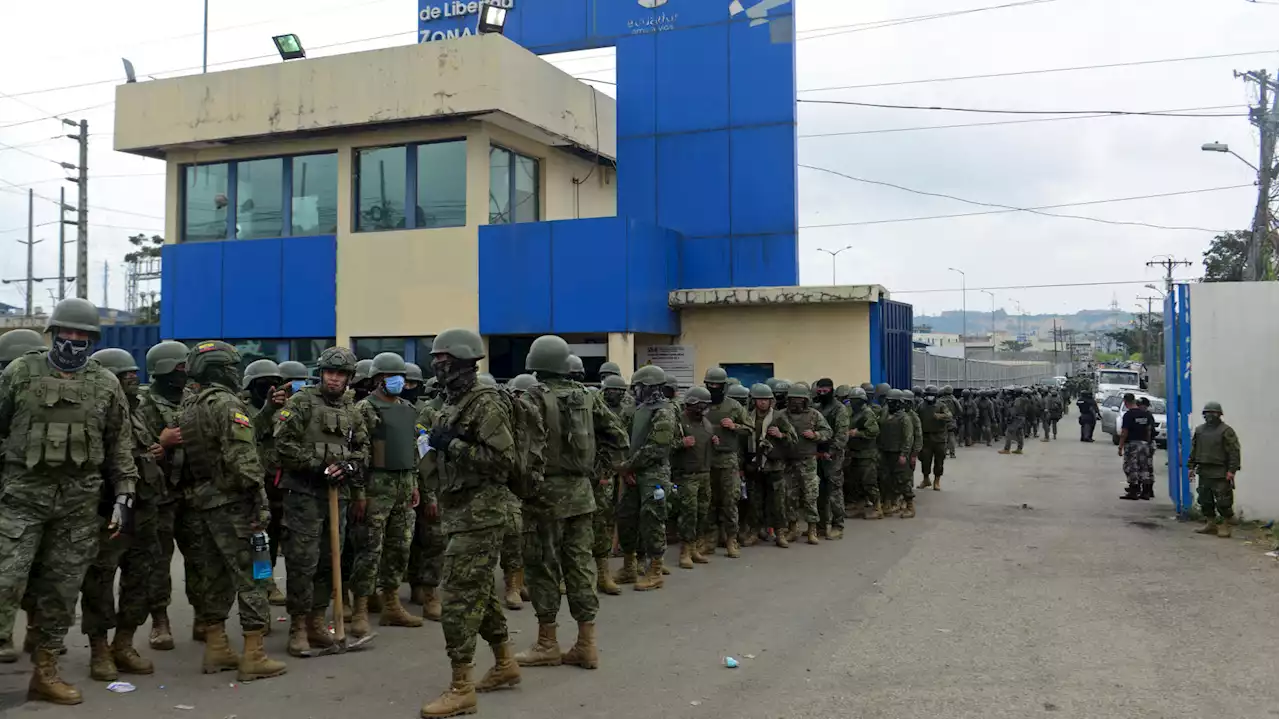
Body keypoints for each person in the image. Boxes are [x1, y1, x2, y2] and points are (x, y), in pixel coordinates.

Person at [0, 298, 140, 704]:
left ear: (93, 340)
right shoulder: (20, 372)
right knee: (6, 581)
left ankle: (45, 672)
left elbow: (120, 446)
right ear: (53, 333)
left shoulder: (105, 383)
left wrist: (124, 495)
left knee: (61, 593)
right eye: (67, 333)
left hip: (78, 505)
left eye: (83, 335)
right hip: (22, 497)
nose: (74, 341)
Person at [418, 329, 521, 717]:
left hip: (481, 513)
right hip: (459, 509)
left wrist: (452, 445)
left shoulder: (485, 403)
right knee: (480, 592)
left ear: (463, 362)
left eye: (444, 361)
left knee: (459, 598)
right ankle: (505, 663)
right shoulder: (453, 402)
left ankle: (461, 686)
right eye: (436, 361)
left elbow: (502, 461)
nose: (438, 367)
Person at [179, 341, 287, 682]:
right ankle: (253, 654)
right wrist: (259, 498)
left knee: (214, 577)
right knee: (254, 575)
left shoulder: (192, 406)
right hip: (235, 503)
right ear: (221, 369)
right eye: (231, 366)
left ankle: (216, 647)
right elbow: (243, 458)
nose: (235, 371)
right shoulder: (227, 403)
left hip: (205, 502)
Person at [516, 335, 625, 669]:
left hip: (541, 498)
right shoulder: (588, 397)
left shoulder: (528, 398)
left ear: (535, 365)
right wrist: (595, 472)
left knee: (542, 568)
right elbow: (618, 438)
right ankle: (586, 645)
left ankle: (547, 642)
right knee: (579, 567)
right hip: (582, 496)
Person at [273, 346, 369, 658]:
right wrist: (319, 465)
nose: (334, 378)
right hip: (304, 497)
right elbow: (282, 444)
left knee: (332, 561)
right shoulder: (301, 403)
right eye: (329, 372)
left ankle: (317, 621)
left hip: (336, 498)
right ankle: (298, 627)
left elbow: (363, 450)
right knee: (304, 562)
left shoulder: (353, 412)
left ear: (349, 378)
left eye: (340, 374)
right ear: (321, 373)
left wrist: (349, 467)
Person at [80, 348, 157, 683]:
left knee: (141, 578)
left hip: (142, 507)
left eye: (132, 374)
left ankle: (123, 643)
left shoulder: (139, 411)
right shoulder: (91, 412)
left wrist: (156, 449)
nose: (132, 379)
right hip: (104, 509)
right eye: (124, 375)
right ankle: (99, 649)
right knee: (99, 582)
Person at [351, 352, 424, 636]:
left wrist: (415, 483)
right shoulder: (364, 409)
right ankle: (360, 609)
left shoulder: (408, 408)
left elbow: (413, 448)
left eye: (400, 377)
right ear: (376, 379)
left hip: (404, 485)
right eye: (388, 376)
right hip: (375, 488)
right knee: (369, 549)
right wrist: (359, 492)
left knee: (400, 548)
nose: (396, 381)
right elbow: (357, 455)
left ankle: (392, 603)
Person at [131, 341, 193, 649]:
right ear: (165, 369)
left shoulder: (194, 400)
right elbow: (130, 447)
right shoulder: (143, 405)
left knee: (201, 559)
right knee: (158, 561)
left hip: (194, 493)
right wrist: (161, 442)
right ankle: (160, 620)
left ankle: (208, 620)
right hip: (161, 495)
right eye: (181, 367)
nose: (185, 373)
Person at [0, 328, 47, 664]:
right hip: (16, 492)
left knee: (33, 568)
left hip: (26, 494)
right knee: (14, 570)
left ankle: (32, 629)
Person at [615, 365, 677, 590]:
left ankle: (655, 569)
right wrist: (626, 468)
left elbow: (656, 448)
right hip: (634, 471)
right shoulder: (637, 409)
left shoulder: (665, 411)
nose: (635, 391)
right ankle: (630, 566)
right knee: (626, 516)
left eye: (639, 387)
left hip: (654, 473)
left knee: (652, 519)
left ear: (650, 388)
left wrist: (628, 466)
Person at [242, 358, 288, 606]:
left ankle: (267, 578)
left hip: (280, 482)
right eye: (263, 384)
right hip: (254, 485)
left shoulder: (284, 410)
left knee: (275, 536)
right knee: (259, 538)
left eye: (274, 383)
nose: (269, 388)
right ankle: (263, 583)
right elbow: (250, 434)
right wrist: (268, 409)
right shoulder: (242, 410)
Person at [702, 367, 751, 557]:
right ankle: (710, 540)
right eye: (710, 384)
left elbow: (749, 429)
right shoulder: (701, 404)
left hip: (728, 458)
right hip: (706, 458)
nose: (713, 388)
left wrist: (734, 426)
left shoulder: (734, 406)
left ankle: (732, 539)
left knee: (730, 500)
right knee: (709, 501)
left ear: (724, 386)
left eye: (717, 385)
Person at [743, 383, 795, 546]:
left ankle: (780, 533)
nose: (762, 403)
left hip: (774, 466)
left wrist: (781, 435)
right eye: (759, 399)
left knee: (778, 502)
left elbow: (794, 439)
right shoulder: (747, 417)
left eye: (766, 400)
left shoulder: (778, 417)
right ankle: (755, 532)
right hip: (755, 466)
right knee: (755, 502)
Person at [782, 382, 833, 544]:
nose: (796, 403)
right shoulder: (782, 415)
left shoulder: (814, 415)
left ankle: (812, 530)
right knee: (790, 497)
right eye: (793, 399)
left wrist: (816, 435)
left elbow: (828, 432)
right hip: (788, 462)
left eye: (800, 399)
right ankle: (792, 528)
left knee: (811, 496)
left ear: (806, 400)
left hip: (808, 461)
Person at [592, 374, 628, 593]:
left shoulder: (624, 411)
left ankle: (604, 573)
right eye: (612, 390)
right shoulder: (592, 407)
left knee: (608, 518)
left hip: (614, 469)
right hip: (594, 470)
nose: (616, 395)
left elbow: (624, 439)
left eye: (620, 391)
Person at [672, 386, 715, 569]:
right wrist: (681, 443)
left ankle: (695, 547)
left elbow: (707, 443)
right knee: (688, 513)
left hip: (704, 473)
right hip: (686, 475)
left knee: (702, 512)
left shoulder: (706, 423)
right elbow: (665, 445)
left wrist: (714, 443)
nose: (704, 409)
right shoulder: (678, 421)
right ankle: (685, 551)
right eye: (701, 405)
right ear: (691, 405)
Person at [1189, 401, 1241, 538]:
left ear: (1219, 414)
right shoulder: (1200, 430)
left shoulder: (1226, 431)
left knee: (1223, 501)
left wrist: (1232, 470)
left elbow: (1234, 452)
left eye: (1213, 412)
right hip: (1204, 470)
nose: (1209, 415)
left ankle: (1224, 525)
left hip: (1220, 472)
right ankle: (1210, 523)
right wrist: (1191, 467)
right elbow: (1194, 449)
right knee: (1205, 500)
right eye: (1207, 413)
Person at [814, 378, 850, 539]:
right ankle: (822, 525)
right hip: (818, 455)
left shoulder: (839, 409)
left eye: (825, 391)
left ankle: (838, 525)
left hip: (833, 456)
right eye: (819, 391)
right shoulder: (818, 408)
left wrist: (832, 450)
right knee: (820, 491)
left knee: (834, 491)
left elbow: (842, 434)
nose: (822, 394)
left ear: (831, 390)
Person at [876, 390, 917, 519]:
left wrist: (904, 454)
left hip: (898, 452)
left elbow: (908, 438)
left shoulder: (904, 418)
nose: (890, 404)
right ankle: (887, 503)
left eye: (892, 402)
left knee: (903, 480)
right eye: (888, 402)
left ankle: (910, 505)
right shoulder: (885, 415)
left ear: (900, 403)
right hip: (885, 451)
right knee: (885, 479)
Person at [843, 387, 881, 519]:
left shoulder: (867, 413)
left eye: (856, 401)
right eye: (852, 401)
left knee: (868, 481)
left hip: (867, 454)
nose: (853, 403)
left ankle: (877, 507)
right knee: (855, 481)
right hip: (855, 453)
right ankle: (859, 505)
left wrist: (857, 433)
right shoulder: (853, 413)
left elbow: (874, 431)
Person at [915, 385, 952, 492]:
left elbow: (949, 415)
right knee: (925, 460)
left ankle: (937, 481)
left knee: (939, 461)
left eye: (932, 395)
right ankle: (926, 479)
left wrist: (940, 416)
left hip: (939, 437)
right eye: (928, 395)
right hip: (926, 437)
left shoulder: (941, 405)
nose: (929, 397)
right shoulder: (921, 406)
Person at [1117, 393, 1154, 500]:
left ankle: (1134, 490)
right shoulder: (1145, 414)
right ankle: (1146, 492)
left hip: (1132, 444)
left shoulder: (1128, 415)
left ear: (1125, 402)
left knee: (1131, 467)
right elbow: (1148, 430)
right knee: (1144, 467)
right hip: (1144, 444)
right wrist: (1147, 442)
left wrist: (1120, 446)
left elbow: (1124, 432)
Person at [998, 389, 1030, 455]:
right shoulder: (1025, 399)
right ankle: (1019, 449)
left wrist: (1010, 417)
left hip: (1016, 419)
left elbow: (1014, 410)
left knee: (1008, 432)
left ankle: (1006, 449)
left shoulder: (1017, 400)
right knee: (1020, 433)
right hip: (1022, 418)